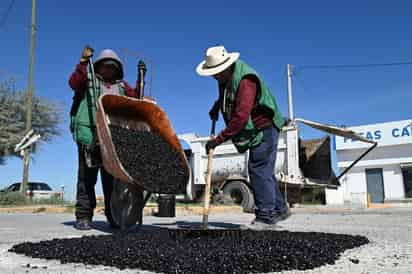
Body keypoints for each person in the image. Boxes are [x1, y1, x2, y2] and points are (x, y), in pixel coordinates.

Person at [196, 45, 290, 229]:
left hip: (265, 127)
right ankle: (279, 209)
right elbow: (225, 95)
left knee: (258, 169)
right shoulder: (225, 78)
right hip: (258, 127)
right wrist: (217, 106)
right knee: (264, 171)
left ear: (226, 67)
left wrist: (218, 140)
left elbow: (240, 119)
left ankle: (266, 218)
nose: (214, 77)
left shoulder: (246, 81)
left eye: (216, 73)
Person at [69, 46, 146, 230]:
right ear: (98, 67)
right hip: (90, 135)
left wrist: (140, 77)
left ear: (117, 69)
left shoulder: (121, 86)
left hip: (112, 139)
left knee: (112, 179)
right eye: (105, 66)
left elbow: (135, 99)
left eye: (112, 67)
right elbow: (73, 83)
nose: (108, 70)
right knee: (87, 178)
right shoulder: (88, 80)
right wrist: (82, 63)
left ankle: (115, 216)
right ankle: (84, 216)